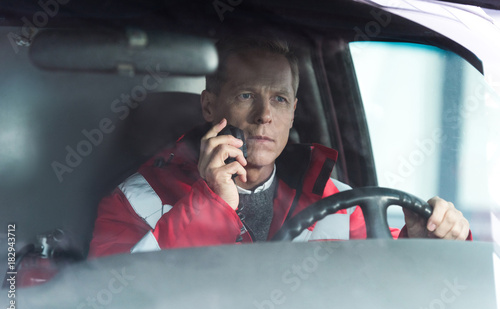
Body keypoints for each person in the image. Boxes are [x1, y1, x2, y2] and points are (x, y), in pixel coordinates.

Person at [88, 36, 471, 258]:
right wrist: (210, 204)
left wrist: (425, 246)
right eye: (245, 95)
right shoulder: (135, 200)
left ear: (293, 114)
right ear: (208, 105)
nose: (264, 115)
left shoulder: (341, 202)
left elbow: (383, 295)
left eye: (280, 100)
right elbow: (113, 306)